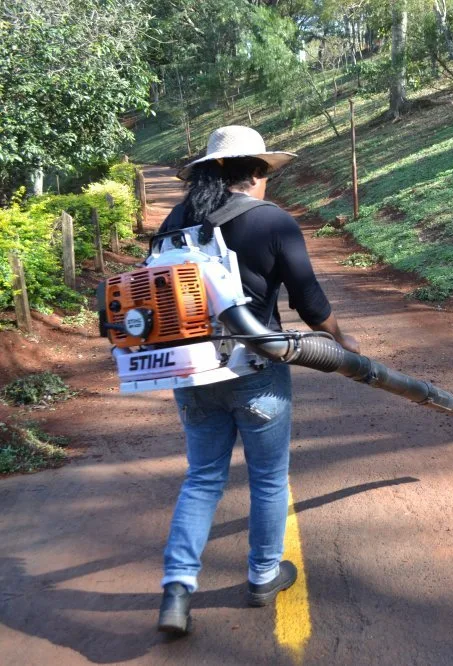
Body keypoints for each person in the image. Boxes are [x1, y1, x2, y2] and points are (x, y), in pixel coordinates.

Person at [154, 125, 359, 635]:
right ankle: (264, 576)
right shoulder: (271, 221)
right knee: (268, 478)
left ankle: (177, 591)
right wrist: (343, 342)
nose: (268, 182)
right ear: (255, 174)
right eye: (265, 172)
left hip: (192, 373)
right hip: (256, 372)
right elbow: (310, 304)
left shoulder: (173, 221)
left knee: (203, 478)